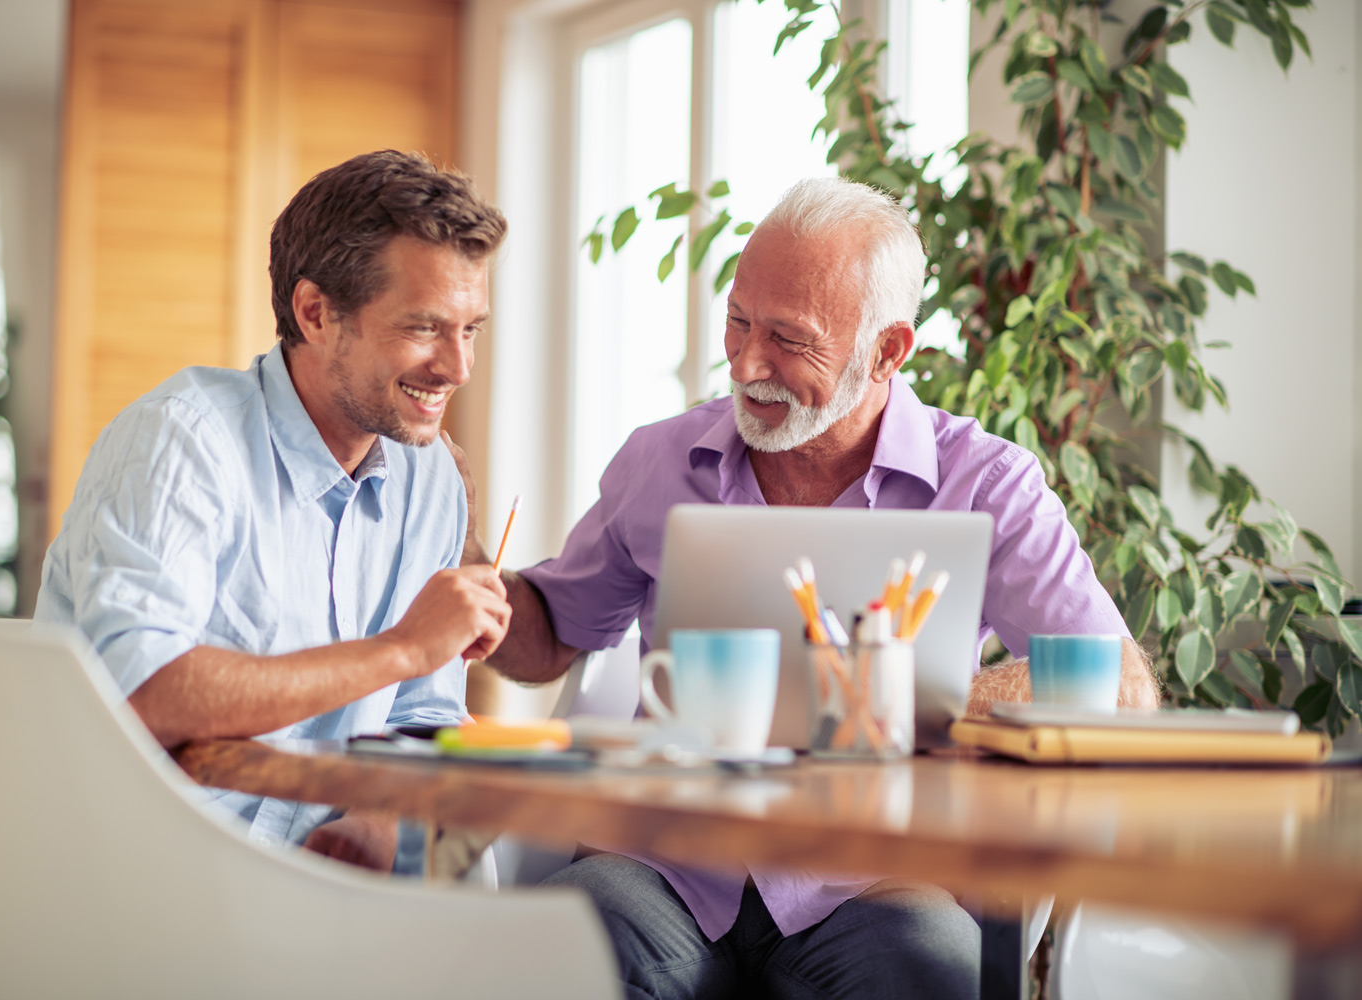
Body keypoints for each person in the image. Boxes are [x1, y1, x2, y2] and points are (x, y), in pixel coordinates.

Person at [449, 176, 1158, 999]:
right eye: (740, 321)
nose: (749, 363)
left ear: (888, 350)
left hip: (876, 881)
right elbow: (549, 637)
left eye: (790, 338)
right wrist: (467, 560)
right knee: (548, 954)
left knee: (935, 974)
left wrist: (929, 699)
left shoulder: (987, 481)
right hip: (662, 867)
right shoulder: (659, 459)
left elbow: (1123, 685)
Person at [37, 150, 512, 871]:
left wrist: (378, 824)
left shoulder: (432, 478)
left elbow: (426, 713)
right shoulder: (182, 440)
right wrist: (402, 648)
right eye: (424, 328)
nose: (458, 368)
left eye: (470, 329)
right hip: (151, 876)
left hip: (319, 890)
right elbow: (142, 693)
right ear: (316, 313)